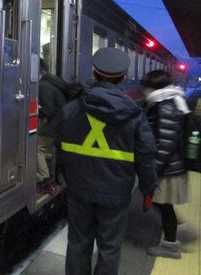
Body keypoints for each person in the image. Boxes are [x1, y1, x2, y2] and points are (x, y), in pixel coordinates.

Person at [53, 47, 158, 275]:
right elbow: (147, 154)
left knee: (78, 244)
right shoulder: (134, 114)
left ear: (94, 73)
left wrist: (67, 175)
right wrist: (148, 187)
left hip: (79, 190)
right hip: (116, 192)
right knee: (110, 248)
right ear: (122, 78)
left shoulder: (71, 109)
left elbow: (59, 146)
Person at [141, 70, 189, 259]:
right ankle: (179, 230)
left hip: (167, 169)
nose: (144, 90)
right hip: (170, 166)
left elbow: (166, 142)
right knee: (164, 205)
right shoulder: (169, 101)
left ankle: (171, 245)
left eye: (146, 85)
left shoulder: (164, 106)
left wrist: (154, 170)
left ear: (154, 86)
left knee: (164, 206)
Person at [37, 58, 67, 189]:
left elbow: (48, 110)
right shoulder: (54, 81)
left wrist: (37, 109)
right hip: (62, 124)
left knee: (36, 146)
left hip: (55, 126)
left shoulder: (43, 86)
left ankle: (44, 179)